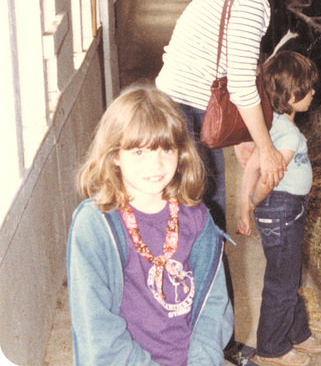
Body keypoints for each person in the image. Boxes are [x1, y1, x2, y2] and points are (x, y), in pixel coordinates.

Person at [156, 0, 306, 232]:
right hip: (186, 113)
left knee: (201, 211)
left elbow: (226, 68)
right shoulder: (251, 1)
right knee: (207, 218)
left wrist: (242, 135)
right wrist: (267, 150)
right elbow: (240, 86)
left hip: (179, 106)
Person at [67, 86, 233, 366]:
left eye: (166, 148)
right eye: (139, 151)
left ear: (181, 153)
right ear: (114, 155)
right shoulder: (95, 226)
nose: (156, 164)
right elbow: (97, 330)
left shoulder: (198, 218)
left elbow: (212, 310)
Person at [237, 51, 321, 366]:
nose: (314, 92)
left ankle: (298, 333)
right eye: (308, 88)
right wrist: (253, 201)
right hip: (282, 211)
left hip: (284, 212)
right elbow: (268, 178)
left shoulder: (270, 124)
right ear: (290, 95)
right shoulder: (288, 134)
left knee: (288, 274)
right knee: (283, 281)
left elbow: (250, 165)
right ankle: (272, 348)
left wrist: (243, 208)